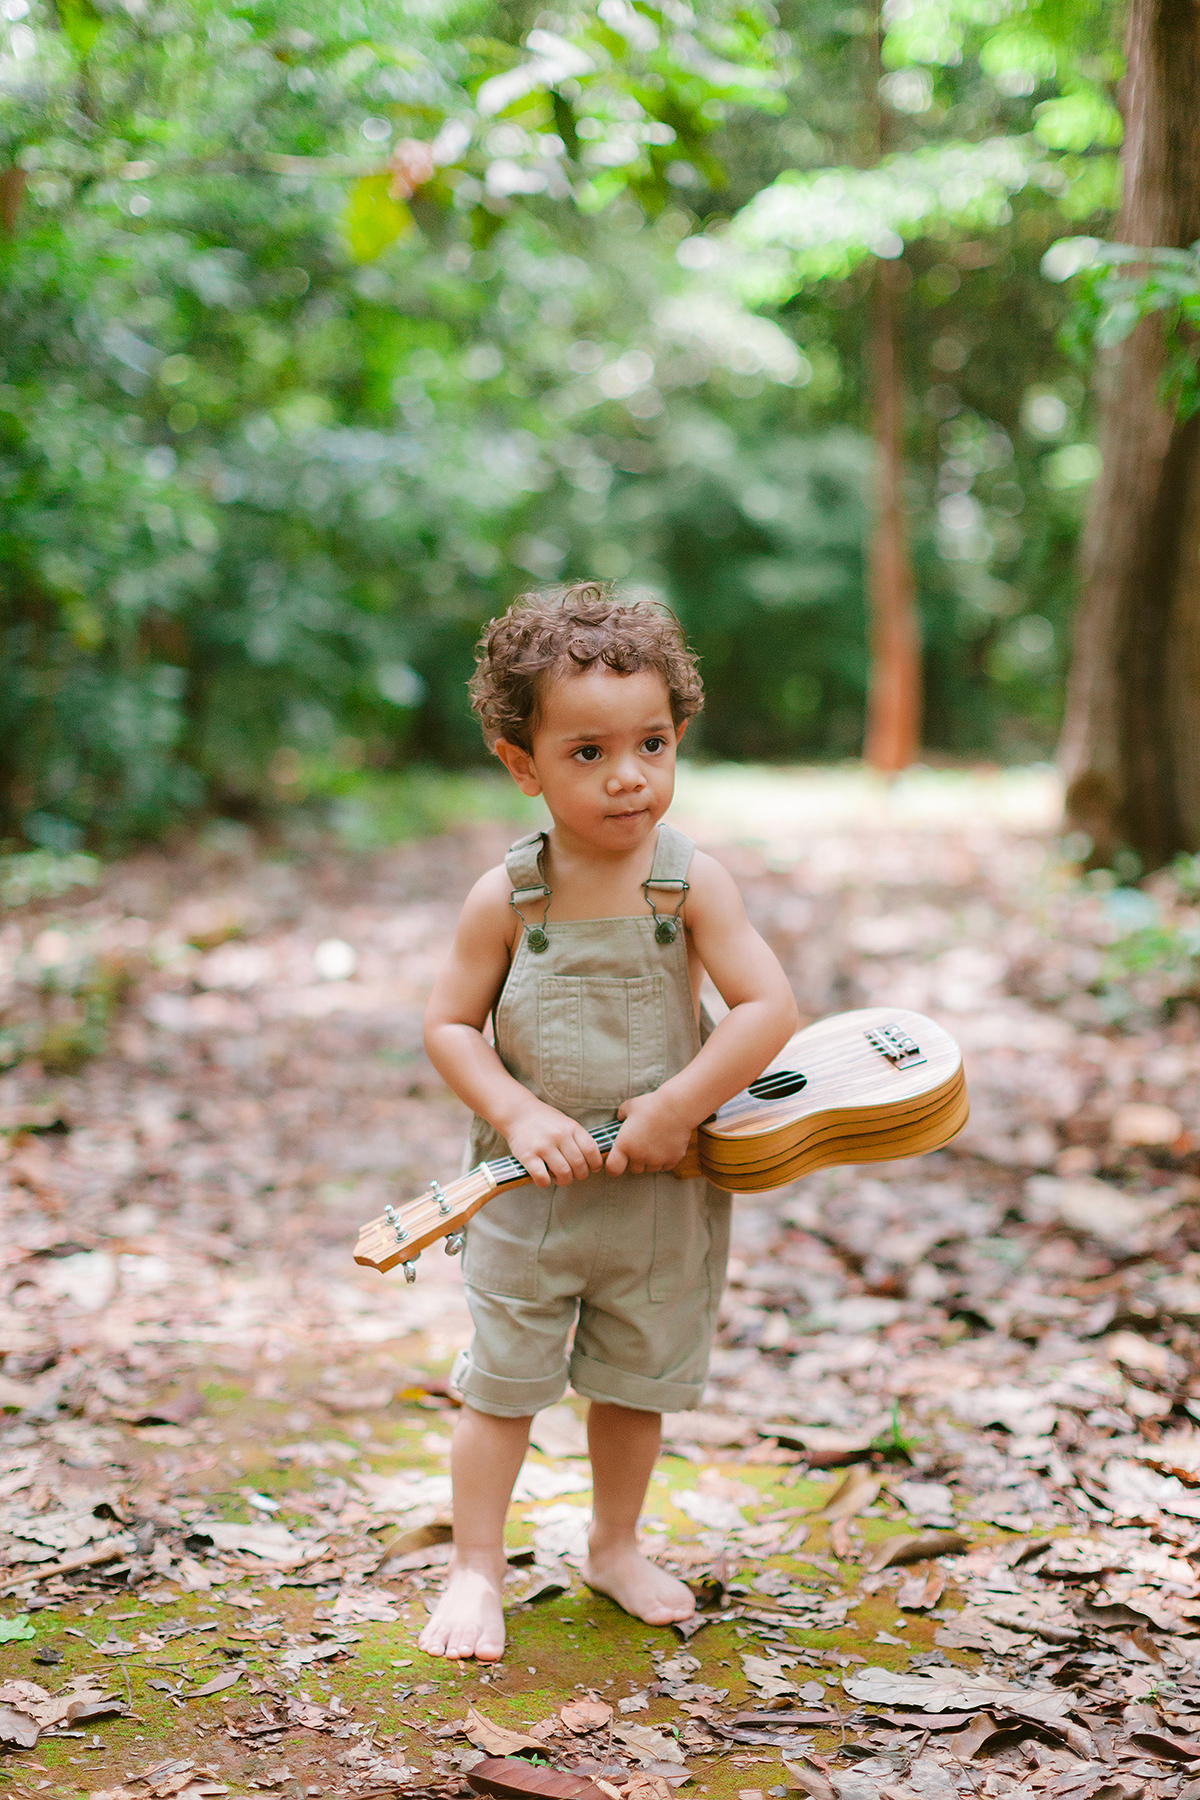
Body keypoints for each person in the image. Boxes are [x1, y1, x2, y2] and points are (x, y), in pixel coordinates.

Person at [417, 582, 799, 1661]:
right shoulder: (508, 899)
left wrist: (681, 1105)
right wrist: (513, 1108)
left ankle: (615, 1545)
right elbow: (448, 1027)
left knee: (635, 1383)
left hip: (657, 1191)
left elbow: (768, 1007)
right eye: (588, 753)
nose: (629, 776)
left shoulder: (691, 885)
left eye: (652, 744)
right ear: (522, 763)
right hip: (528, 1196)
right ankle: (475, 1568)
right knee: (502, 1386)